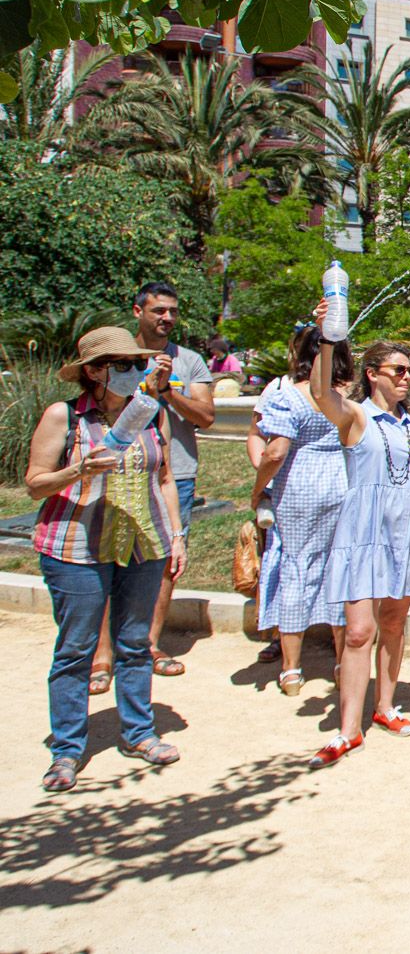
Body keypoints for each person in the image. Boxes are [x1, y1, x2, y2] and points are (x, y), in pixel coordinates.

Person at [26, 327, 188, 792]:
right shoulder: (66, 417)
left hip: (142, 542)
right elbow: (35, 483)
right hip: (76, 547)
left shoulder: (151, 413)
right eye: (124, 365)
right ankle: (67, 750)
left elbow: (165, 479)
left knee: (135, 643)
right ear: (95, 371)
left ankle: (139, 733)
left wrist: (175, 535)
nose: (136, 372)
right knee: (76, 648)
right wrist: (79, 469)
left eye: (139, 365)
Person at [307, 314, 410, 768]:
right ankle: (347, 730)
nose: (408, 377)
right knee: (358, 631)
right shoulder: (356, 417)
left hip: (407, 532)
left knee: (393, 623)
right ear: (373, 374)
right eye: (398, 370)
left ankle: (385, 706)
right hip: (363, 533)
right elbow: (320, 393)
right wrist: (329, 340)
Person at [92, 283, 212, 681]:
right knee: (108, 557)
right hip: (116, 470)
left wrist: (167, 393)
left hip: (173, 471)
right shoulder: (118, 359)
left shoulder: (190, 361)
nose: (167, 318)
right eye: (159, 310)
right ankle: (103, 652)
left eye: (173, 311)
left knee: (164, 562)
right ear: (138, 311)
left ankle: (150, 645)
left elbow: (206, 417)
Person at [248, 326, 351, 696]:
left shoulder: (289, 395)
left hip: (299, 486)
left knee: (296, 568)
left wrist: (258, 490)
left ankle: (291, 670)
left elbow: (274, 452)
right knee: (340, 571)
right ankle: (343, 662)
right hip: (341, 484)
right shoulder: (345, 396)